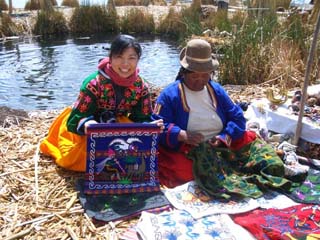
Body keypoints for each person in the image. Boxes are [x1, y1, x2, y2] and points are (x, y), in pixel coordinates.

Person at [152, 38, 299, 198]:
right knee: (187, 174)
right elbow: (157, 127)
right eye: (195, 76)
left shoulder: (216, 90)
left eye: (205, 75)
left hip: (224, 145)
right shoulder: (169, 95)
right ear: (184, 72)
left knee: (268, 160)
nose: (200, 80)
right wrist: (181, 135)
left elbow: (237, 119)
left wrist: (224, 137)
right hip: (190, 150)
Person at [40, 34, 162, 172]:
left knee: (134, 157)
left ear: (138, 60)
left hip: (117, 124)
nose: (125, 64)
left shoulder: (140, 86)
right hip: (90, 125)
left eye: (131, 58)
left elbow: (142, 117)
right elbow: (75, 121)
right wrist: (87, 125)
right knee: (79, 160)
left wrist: (149, 126)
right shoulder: (94, 83)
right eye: (119, 57)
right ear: (110, 58)